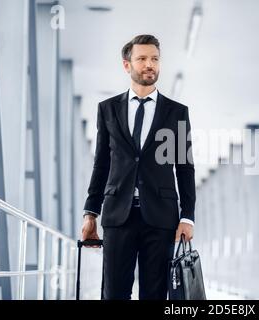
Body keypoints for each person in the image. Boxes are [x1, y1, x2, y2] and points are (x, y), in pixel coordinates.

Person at [81, 34, 196, 300]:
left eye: (154, 59)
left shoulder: (176, 112)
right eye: (142, 58)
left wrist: (187, 216)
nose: (149, 65)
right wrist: (90, 213)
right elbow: (102, 164)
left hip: (161, 217)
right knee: (114, 293)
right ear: (127, 65)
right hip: (117, 215)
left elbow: (185, 167)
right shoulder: (107, 109)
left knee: (155, 293)